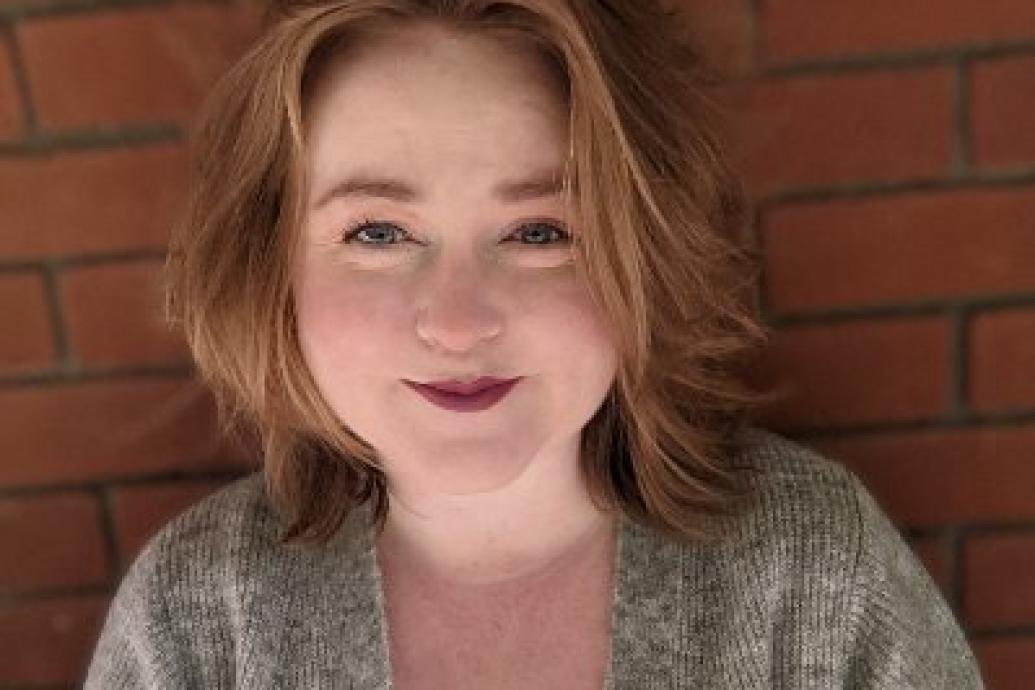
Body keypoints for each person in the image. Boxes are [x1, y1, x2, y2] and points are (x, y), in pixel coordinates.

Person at [84, 1, 986, 688]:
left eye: (540, 232)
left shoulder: (813, 569)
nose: (459, 321)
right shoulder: (196, 618)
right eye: (377, 233)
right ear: (269, 264)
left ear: (643, 253)